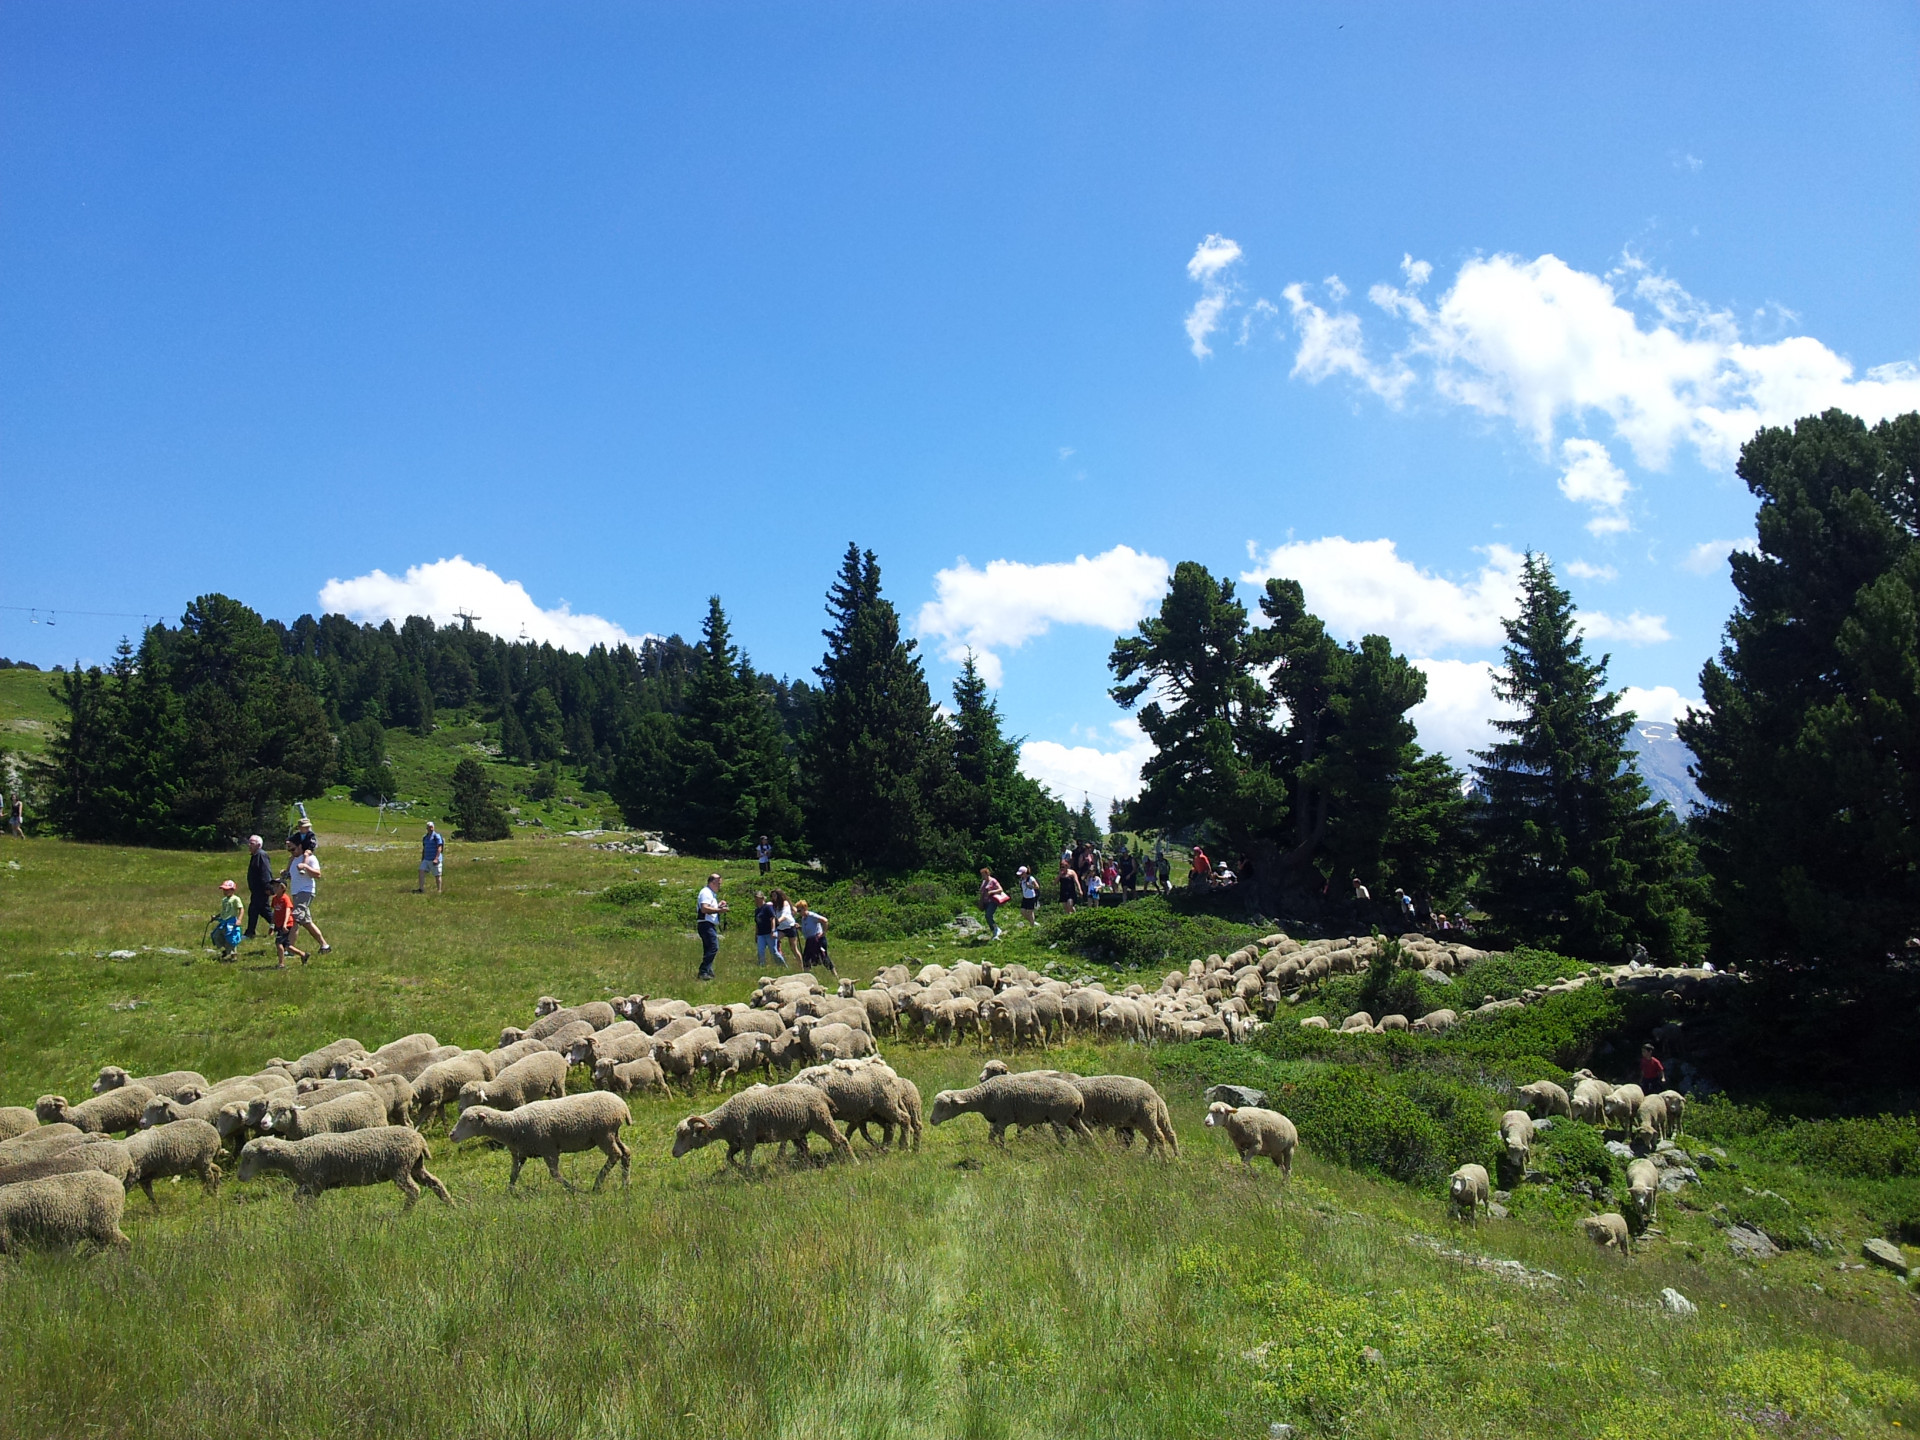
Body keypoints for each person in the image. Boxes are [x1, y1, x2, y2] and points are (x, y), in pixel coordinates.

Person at [287, 845, 331, 954]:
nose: (291, 852)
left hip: (306, 892)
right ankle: (324, 946)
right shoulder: (293, 860)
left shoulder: (310, 858)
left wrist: (305, 867)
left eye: (293, 849)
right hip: (296, 893)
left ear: (300, 846)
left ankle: (290, 949)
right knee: (306, 922)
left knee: (295, 918)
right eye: (289, 850)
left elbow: (318, 874)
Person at [244, 834, 276, 941]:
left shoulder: (261, 855)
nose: (249, 845)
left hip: (261, 889)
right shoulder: (255, 855)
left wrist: (268, 886)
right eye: (249, 843)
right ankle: (279, 926)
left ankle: (250, 933)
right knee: (264, 911)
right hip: (257, 889)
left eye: (252, 843)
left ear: (259, 845)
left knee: (253, 910)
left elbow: (265, 871)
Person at [695, 873, 726, 981]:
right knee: (713, 947)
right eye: (718, 883)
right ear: (713, 882)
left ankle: (708, 971)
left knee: (708, 948)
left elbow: (709, 908)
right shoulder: (706, 892)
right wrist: (719, 910)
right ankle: (703, 971)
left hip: (708, 924)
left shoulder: (710, 894)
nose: (720, 885)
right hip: (706, 924)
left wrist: (718, 906)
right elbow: (704, 909)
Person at [268, 879, 306, 967]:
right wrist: (272, 925)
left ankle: (281, 964)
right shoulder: (275, 899)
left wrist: (285, 924)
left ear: (282, 888)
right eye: (273, 886)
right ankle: (303, 955)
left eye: (276, 886)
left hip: (286, 924)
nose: (274, 888)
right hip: (279, 924)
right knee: (287, 945)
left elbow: (288, 912)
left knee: (278, 943)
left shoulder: (285, 898)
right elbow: (275, 913)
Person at [795, 898, 833, 974]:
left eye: (800, 910)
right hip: (809, 941)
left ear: (804, 908)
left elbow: (825, 921)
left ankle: (835, 975)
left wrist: (823, 933)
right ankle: (806, 975)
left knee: (823, 957)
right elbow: (806, 932)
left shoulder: (811, 916)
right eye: (798, 911)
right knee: (806, 958)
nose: (799, 913)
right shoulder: (803, 919)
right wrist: (799, 928)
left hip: (818, 940)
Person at [752, 891, 785, 970]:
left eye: (758, 898)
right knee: (760, 951)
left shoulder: (767, 907)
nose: (757, 900)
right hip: (761, 934)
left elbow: (772, 919)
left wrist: (773, 930)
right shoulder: (757, 910)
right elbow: (757, 923)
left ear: (763, 898)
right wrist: (756, 934)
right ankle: (762, 967)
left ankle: (783, 966)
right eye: (756, 899)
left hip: (769, 933)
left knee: (773, 952)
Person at [771, 888, 803, 968]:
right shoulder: (774, 905)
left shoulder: (785, 903)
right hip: (781, 928)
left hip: (790, 927)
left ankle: (801, 967)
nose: (773, 897)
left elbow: (784, 915)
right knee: (774, 940)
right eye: (772, 896)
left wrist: (777, 921)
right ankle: (780, 960)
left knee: (793, 948)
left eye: (775, 895)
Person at [212, 880, 243, 961]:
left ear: (232, 890)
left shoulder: (236, 899)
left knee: (231, 938)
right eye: (224, 890)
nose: (225, 892)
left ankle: (233, 955)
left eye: (227, 890)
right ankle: (227, 950)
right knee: (217, 935)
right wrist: (216, 916)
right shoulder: (224, 900)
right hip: (223, 921)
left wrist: (239, 919)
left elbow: (241, 909)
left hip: (231, 922)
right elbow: (224, 911)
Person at [978, 868, 1010, 940]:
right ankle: (994, 930)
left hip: (992, 901)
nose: (982, 876)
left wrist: (991, 892)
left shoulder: (993, 881)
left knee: (988, 915)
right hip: (985, 902)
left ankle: (996, 929)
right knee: (987, 917)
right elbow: (982, 892)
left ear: (987, 874)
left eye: (983, 875)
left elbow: (1000, 889)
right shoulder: (983, 882)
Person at [417, 821, 445, 894]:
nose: (431, 828)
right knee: (421, 870)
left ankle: (439, 890)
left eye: (432, 826)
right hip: (426, 858)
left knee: (437, 875)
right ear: (427, 828)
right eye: (429, 827)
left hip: (435, 859)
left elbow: (439, 847)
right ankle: (421, 888)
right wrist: (422, 858)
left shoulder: (436, 836)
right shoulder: (425, 837)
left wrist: (436, 858)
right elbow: (424, 848)